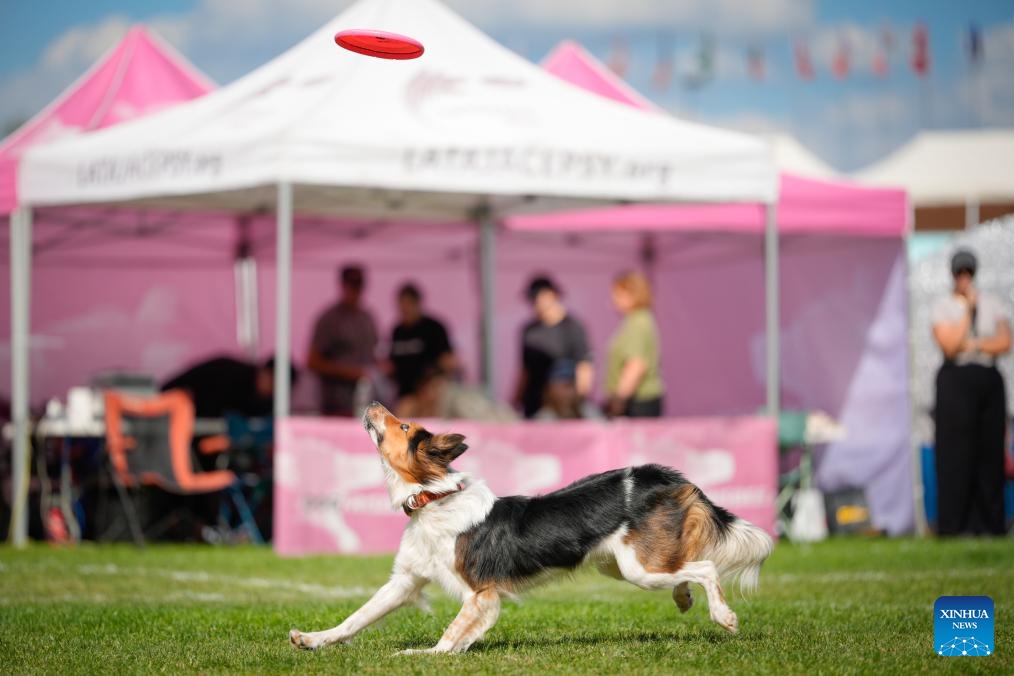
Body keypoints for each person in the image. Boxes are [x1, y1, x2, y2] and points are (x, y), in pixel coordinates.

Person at [931, 248, 1011, 536]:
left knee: (989, 451)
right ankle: (956, 525)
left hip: (987, 381)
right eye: (959, 273)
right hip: (956, 383)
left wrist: (974, 345)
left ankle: (990, 524)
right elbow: (950, 346)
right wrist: (968, 311)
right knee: (957, 454)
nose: (964, 278)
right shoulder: (944, 306)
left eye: (968, 272)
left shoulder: (993, 303)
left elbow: (1004, 342)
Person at [513, 275, 594, 419]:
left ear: (552, 294)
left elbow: (584, 367)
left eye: (537, 297)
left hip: (564, 408)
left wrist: (579, 401)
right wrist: (514, 402)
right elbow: (525, 372)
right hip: (535, 407)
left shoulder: (573, 327)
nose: (535, 303)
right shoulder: (529, 331)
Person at [307, 265, 380, 416]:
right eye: (352, 286)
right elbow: (312, 361)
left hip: (367, 400)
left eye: (359, 286)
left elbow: (375, 353)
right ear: (343, 285)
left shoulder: (367, 318)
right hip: (336, 401)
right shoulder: (330, 319)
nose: (356, 291)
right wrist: (348, 372)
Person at [605, 271, 665, 418]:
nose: (614, 299)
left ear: (634, 294)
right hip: (639, 400)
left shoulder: (637, 323)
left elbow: (636, 365)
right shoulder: (639, 320)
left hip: (638, 402)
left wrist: (618, 401)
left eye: (619, 294)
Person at [161, 355, 298, 418]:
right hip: (167, 408)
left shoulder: (254, 393)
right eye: (273, 384)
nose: (271, 391)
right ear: (265, 374)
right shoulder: (231, 375)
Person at [389, 283, 458, 401]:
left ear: (417, 304)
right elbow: (393, 363)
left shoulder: (433, 328)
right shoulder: (398, 331)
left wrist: (434, 381)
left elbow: (447, 360)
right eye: (401, 305)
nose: (404, 309)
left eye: (408, 304)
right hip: (406, 392)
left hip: (431, 391)